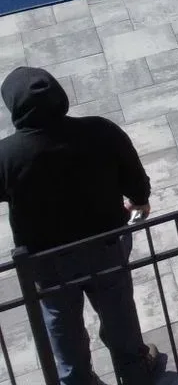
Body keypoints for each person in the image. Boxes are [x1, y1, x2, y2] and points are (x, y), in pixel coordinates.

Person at [0, 68, 163, 385]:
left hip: (46, 260)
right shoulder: (101, 131)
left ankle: (75, 380)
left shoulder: (6, 156)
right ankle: (135, 370)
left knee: (61, 318)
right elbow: (134, 177)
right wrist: (140, 201)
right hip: (106, 243)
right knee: (117, 308)